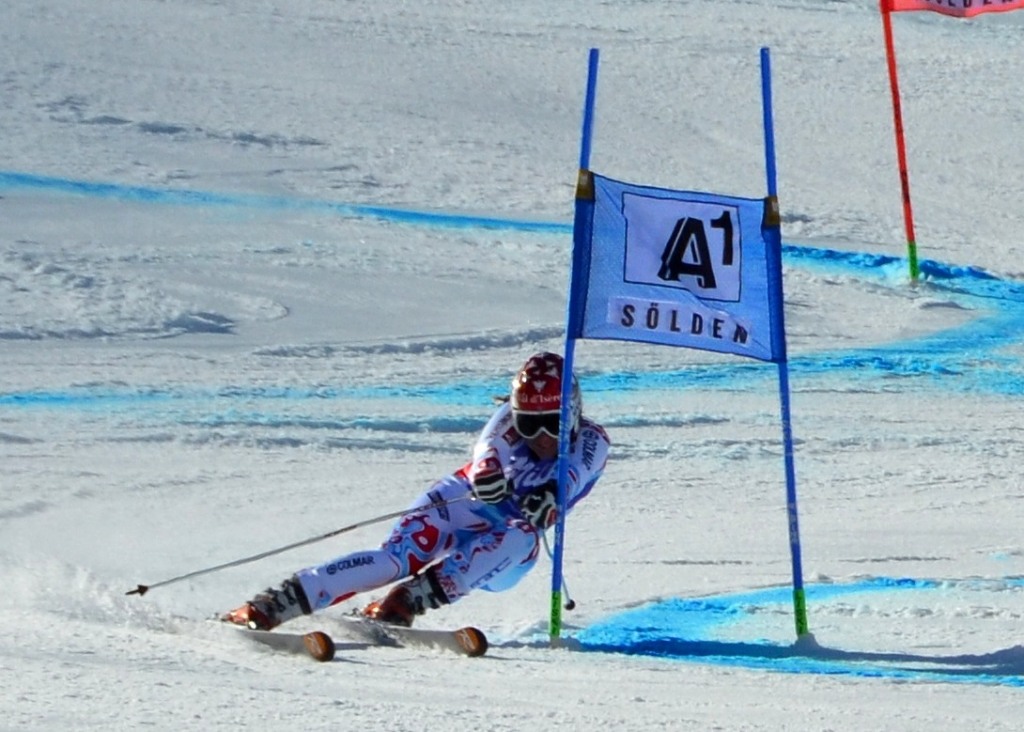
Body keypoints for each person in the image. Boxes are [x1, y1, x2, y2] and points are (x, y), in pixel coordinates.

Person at [222, 351, 610, 630]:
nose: (541, 437)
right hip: (462, 502)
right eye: (529, 424)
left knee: (522, 534)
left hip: (504, 552)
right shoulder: (507, 418)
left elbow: (573, 475)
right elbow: (487, 452)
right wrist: (487, 474)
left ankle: (410, 598)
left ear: (573, 415)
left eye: (552, 424)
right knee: (394, 560)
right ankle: (278, 602)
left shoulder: (593, 439)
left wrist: (551, 495)